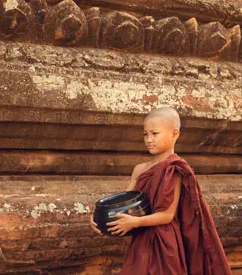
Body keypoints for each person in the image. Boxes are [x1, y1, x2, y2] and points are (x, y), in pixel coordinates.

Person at [90, 107, 231, 274]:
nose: (149, 140)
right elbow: (122, 204)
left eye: (155, 134)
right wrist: (99, 218)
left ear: (174, 134)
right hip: (141, 239)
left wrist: (134, 222)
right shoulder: (140, 169)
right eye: (145, 134)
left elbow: (167, 215)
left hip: (165, 241)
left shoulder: (174, 169)